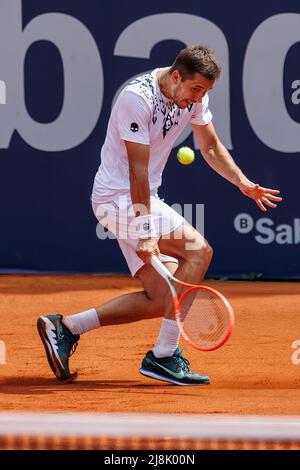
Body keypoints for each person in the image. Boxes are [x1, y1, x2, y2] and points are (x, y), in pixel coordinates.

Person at [37, 45, 282, 385]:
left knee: (164, 298)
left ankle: (66, 328)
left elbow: (209, 146)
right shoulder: (136, 99)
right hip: (117, 197)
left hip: (138, 198)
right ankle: (164, 355)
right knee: (199, 251)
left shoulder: (195, 98)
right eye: (195, 90)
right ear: (176, 76)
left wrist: (243, 183)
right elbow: (137, 171)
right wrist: (146, 231)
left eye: (205, 93)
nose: (197, 99)